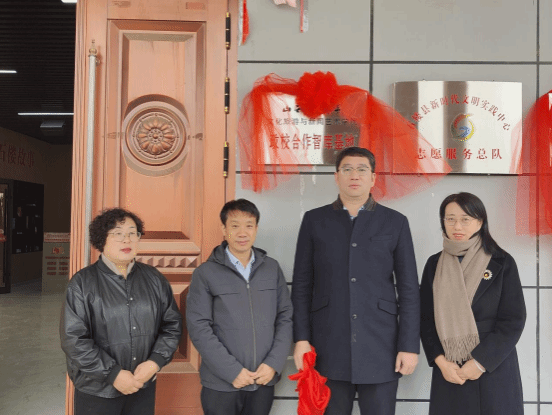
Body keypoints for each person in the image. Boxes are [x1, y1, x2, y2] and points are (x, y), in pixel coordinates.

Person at [291, 146, 420, 415]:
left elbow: (409, 289)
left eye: (362, 169)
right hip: (328, 344)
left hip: (381, 346)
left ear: (373, 178)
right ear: (336, 176)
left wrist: (408, 346)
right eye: (347, 169)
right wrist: (301, 339)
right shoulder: (315, 220)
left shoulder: (395, 222)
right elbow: (302, 285)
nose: (354, 175)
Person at [60, 208, 183, 415]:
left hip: (142, 386)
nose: (127, 239)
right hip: (97, 390)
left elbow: (172, 325)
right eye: (118, 233)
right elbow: (74, 340)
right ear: (102, 239)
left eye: (133, 233)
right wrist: (113, 374)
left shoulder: (154, 279)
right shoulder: (82, 283)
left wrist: (155, 361)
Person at [420, 192, 526, 415]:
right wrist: (441, 362)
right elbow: (426, 319)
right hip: (450, 370)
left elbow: (513, 320)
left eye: (465, 219)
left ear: (480, 222)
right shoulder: (434, 264)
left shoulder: (501, 262)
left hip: (493, 368)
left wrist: (479, 363)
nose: (457, 226)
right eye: (450, 219)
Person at [186, 199, 293, 415]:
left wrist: (273, 364)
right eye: (235, 226)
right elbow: (199, 327)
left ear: (256, 229)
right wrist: (232, 371)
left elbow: (285, 317)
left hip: (263, 380)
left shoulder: (271, 269)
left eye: (249, 225)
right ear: (224, 229)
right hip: (221, 384)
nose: (242, 233)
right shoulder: (205, 273)